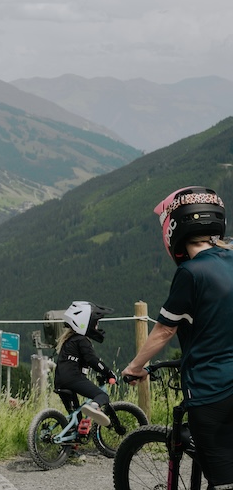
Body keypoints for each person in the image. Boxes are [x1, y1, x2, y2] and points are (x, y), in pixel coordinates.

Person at [124, 186, 233, 489]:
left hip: (211, 390)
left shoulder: (190, 273)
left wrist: (134, 367)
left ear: (174, 226)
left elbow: (164, 330)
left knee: (223, 479)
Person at [52, 301, 118, 427]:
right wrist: (108, 372)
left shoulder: (68, 340)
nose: (97, 326)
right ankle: (94, 407)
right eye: (95, 323)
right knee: (101, 395)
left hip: (60, 380)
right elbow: (92, 360)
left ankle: (72, 441)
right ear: (86, 323)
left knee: (75, 416)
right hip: (73, 379)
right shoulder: (82, 340)